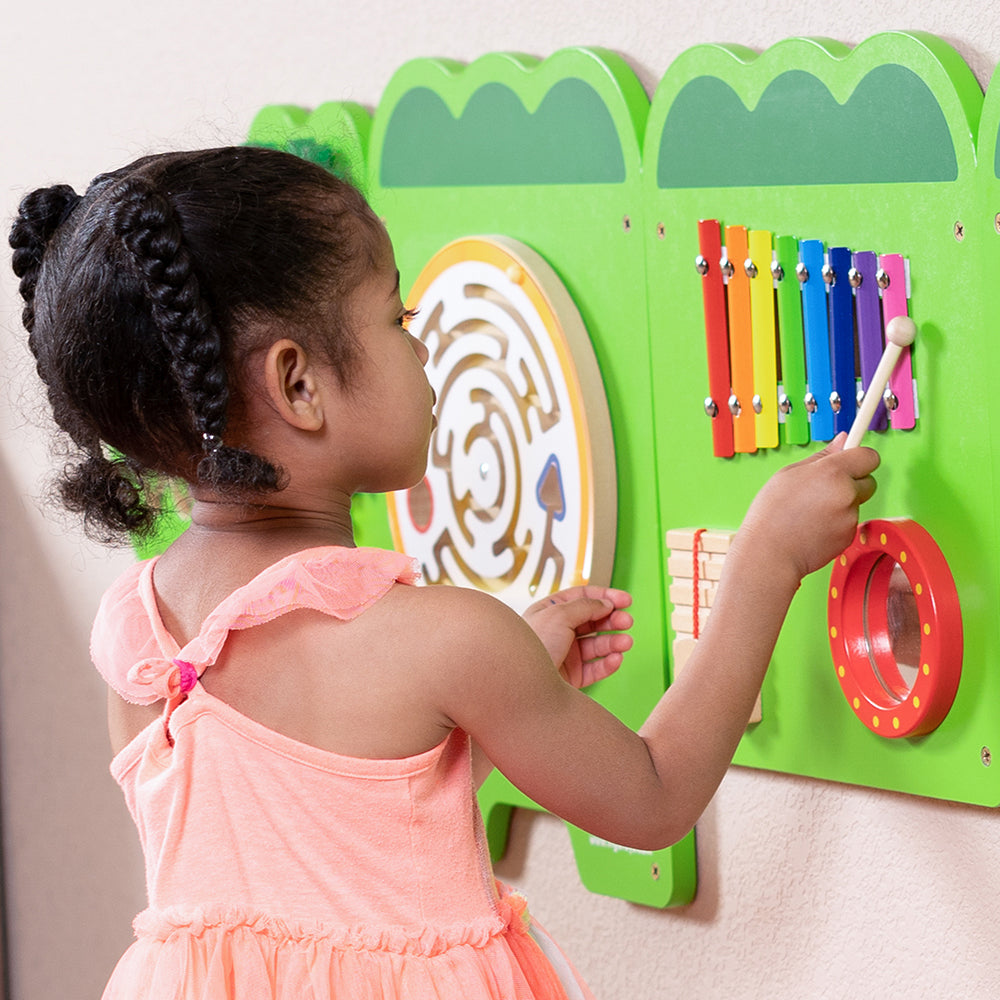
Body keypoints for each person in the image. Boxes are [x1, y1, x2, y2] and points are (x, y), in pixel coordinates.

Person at [9, 145, 879, 1000]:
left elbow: (322, 832)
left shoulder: (136, 638)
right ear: (299, 385)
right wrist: (767, 559)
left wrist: (489, 703)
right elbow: (649, 801)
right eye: (400, 321)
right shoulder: (448, 639)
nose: (419, 352)